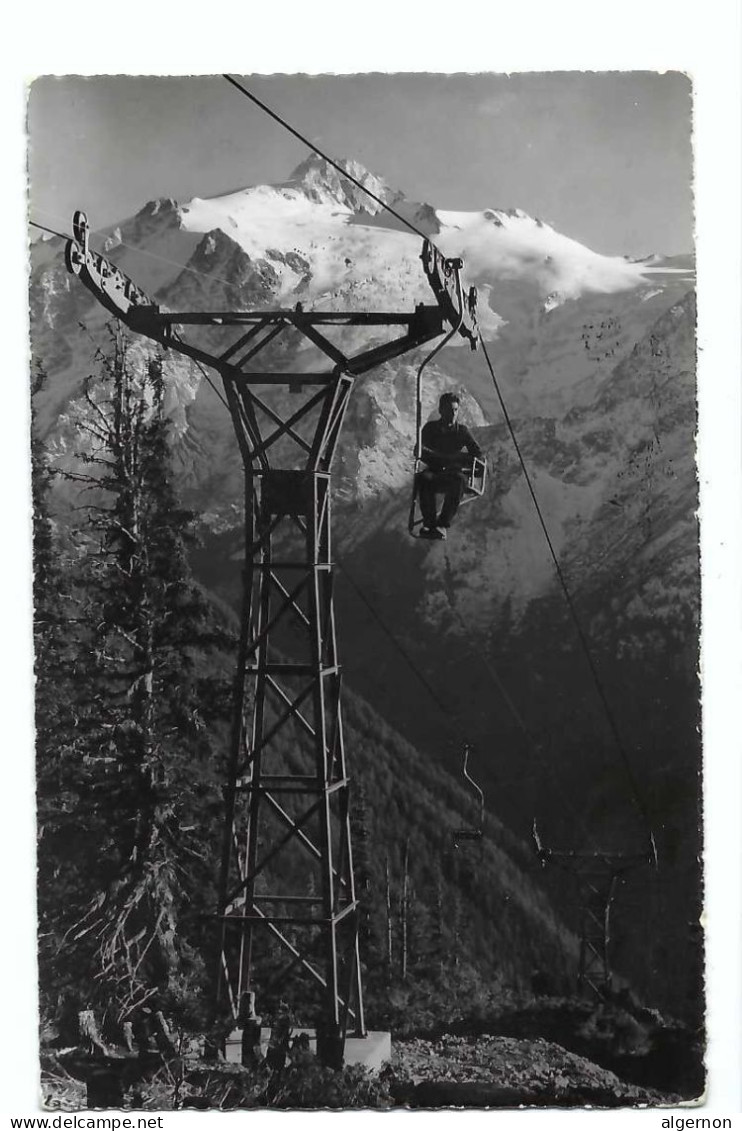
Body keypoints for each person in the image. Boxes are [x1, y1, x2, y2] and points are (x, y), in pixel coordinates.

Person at [417, 392, 482, 539]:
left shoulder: (462, 432)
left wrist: (465, 461)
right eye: (449, 410)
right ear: (441, 410)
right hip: (435, 471)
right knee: (424, 479)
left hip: (453, 474)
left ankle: (442, 524)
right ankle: (430, 523)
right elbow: (420, 449)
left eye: (455, 410)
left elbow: (478, 454)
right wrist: (437, 457)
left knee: (458, 480)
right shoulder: (431, 429)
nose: (453, 414)